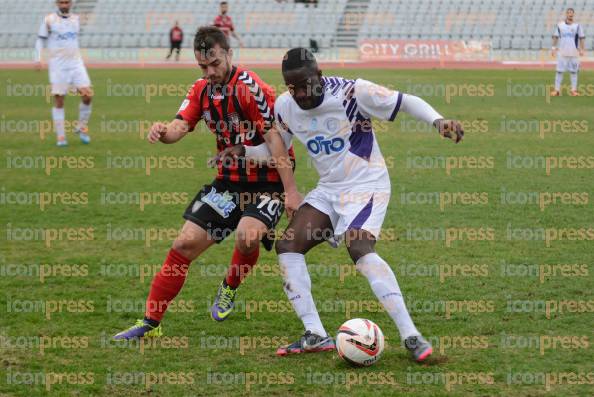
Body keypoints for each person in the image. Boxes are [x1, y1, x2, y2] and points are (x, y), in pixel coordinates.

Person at [228, 47, 464, 362]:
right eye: (292, 86)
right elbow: (275, 149)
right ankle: (315, 334)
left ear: (319, 76)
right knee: (288, 246)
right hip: (329, 189)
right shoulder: (285, 107)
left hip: (367, 184)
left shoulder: (353, 92)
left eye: (305, 84)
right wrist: (243, 152)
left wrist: (438, 121)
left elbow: (405, 101)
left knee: (359, 247)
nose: (299, 93)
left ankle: (411, 336)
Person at [113, 27, 301, 340]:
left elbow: (275, 141)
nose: (209, 72)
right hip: (228, 183)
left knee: (247, 237)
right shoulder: (201, 90)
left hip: (268, 182)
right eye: (203, 66)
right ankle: (149, 322)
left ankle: (229, 286)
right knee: (183, 244)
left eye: (214, 64)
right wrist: (163, 131)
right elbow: (180, 126)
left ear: (229, 54)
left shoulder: (252, 88)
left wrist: (291, 192)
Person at [35, 0, 92, 147]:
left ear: (71, 3)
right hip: (58, 67)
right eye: (61, 2)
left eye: (66, 2)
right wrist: (38, 58)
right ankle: (61, 137)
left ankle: (81, 127)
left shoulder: (76, 19)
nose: (64, 5)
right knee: (59, 100)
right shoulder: (49, 20)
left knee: (87, 95)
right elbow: (40, 40)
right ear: (57, 3)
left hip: (76, 64)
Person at [551, 8, 586, 96]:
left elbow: (581, 38)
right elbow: (555, 37)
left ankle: (573, 90)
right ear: (566, 14)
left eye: (572, 13)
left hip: (573, 53)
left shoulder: (577, 26)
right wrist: (553, 48)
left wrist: (582, 49)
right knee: (559, 71)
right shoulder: (560, 25)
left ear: (573, 15)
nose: (570, 14)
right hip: (562, 53)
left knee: (574, 71)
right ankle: (557, 90)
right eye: (568, 13)